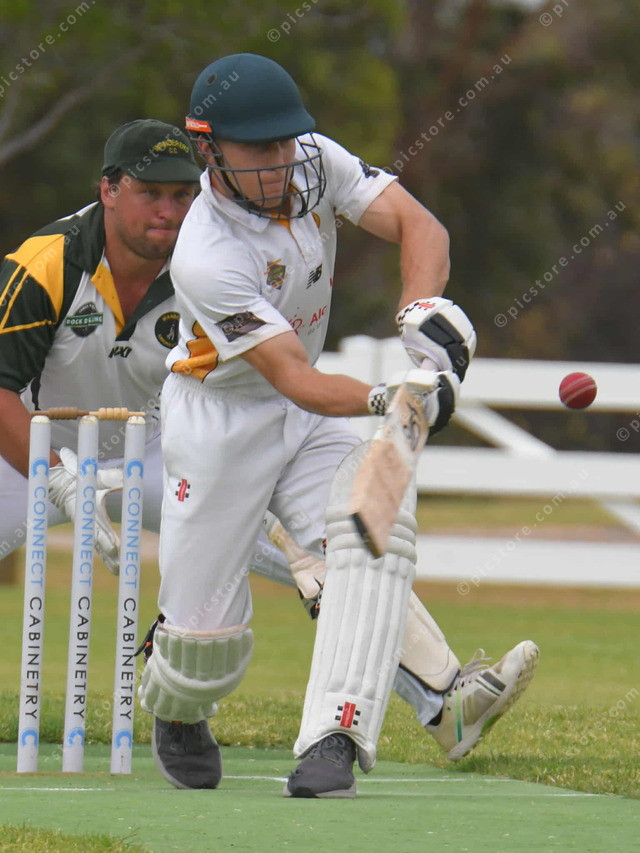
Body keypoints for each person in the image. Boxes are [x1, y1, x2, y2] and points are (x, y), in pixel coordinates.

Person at [137, 53, 539, 798]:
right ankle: (178, 705)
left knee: (369, 538)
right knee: (202, 650)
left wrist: (421, 317)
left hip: (303, 415)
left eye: (285, 140)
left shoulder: (315, 161)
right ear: (209, 150)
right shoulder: (206, 254)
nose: (281, 160)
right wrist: (394, 397)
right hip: (220, 420)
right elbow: (296, 378)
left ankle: (336, 736)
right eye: (259, 147)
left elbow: (420, 227)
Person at [0, 118, 288, 582]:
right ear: (109, 191)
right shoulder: (44, 265)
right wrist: (58, 480)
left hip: (153, 451)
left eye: (182, 195)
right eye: (150, 193)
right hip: (34, 452)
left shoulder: (211, 265)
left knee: (303, 556)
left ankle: (392, 629)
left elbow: (248, 375)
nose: (168, 212)